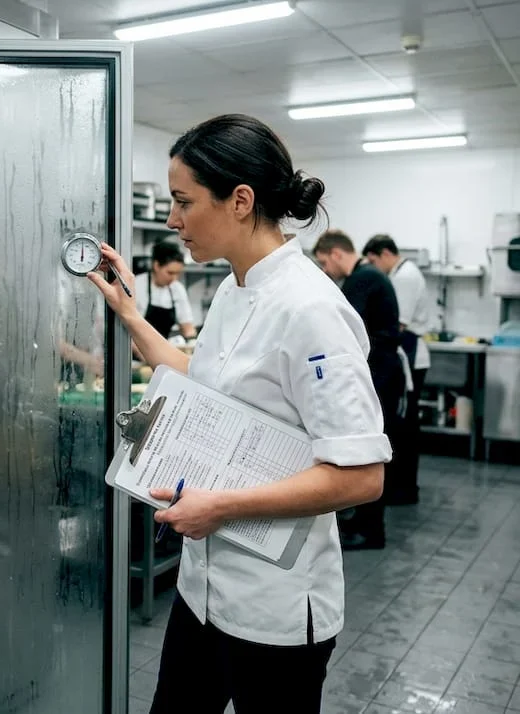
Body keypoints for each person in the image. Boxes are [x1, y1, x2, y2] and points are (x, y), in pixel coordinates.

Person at [87, 114, 390, 714]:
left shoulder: (310, 309)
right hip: (202, 592)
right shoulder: (232, 288)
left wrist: (219, 506)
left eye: (183, 201)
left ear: (240, 201)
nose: (172, 220)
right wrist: (129, 313)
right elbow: (198, 380)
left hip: (276, 609)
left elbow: (361, 475)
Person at [312, 230, 406, 550]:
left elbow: (340, 328)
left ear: (337, 254)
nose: (325, 271)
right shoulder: (370, 275)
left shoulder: (361, 280)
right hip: (383, 368)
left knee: (366, 452)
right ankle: (365, 524)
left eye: (324, 263)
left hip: (380, 371)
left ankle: (370, 531)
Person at [362, 234, 430, 505]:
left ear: (386, 254)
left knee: (403, 426)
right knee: (403, 425)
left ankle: (403, 489)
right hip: (407, 353)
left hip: (410, 355)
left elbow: (397, 324)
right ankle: (402, 487)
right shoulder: (402, 273)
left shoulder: (405, 277)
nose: (374, 266)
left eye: (374, 260)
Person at [134, 241, 197, 340]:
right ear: (156, 266)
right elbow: (130, 330)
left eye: (177, 274)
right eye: (170, 273)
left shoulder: (177, 289)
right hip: (136, 349)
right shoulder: (136, 285)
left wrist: (192, 343)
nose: (174, 278)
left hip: (162, 350)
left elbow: (187, 327)